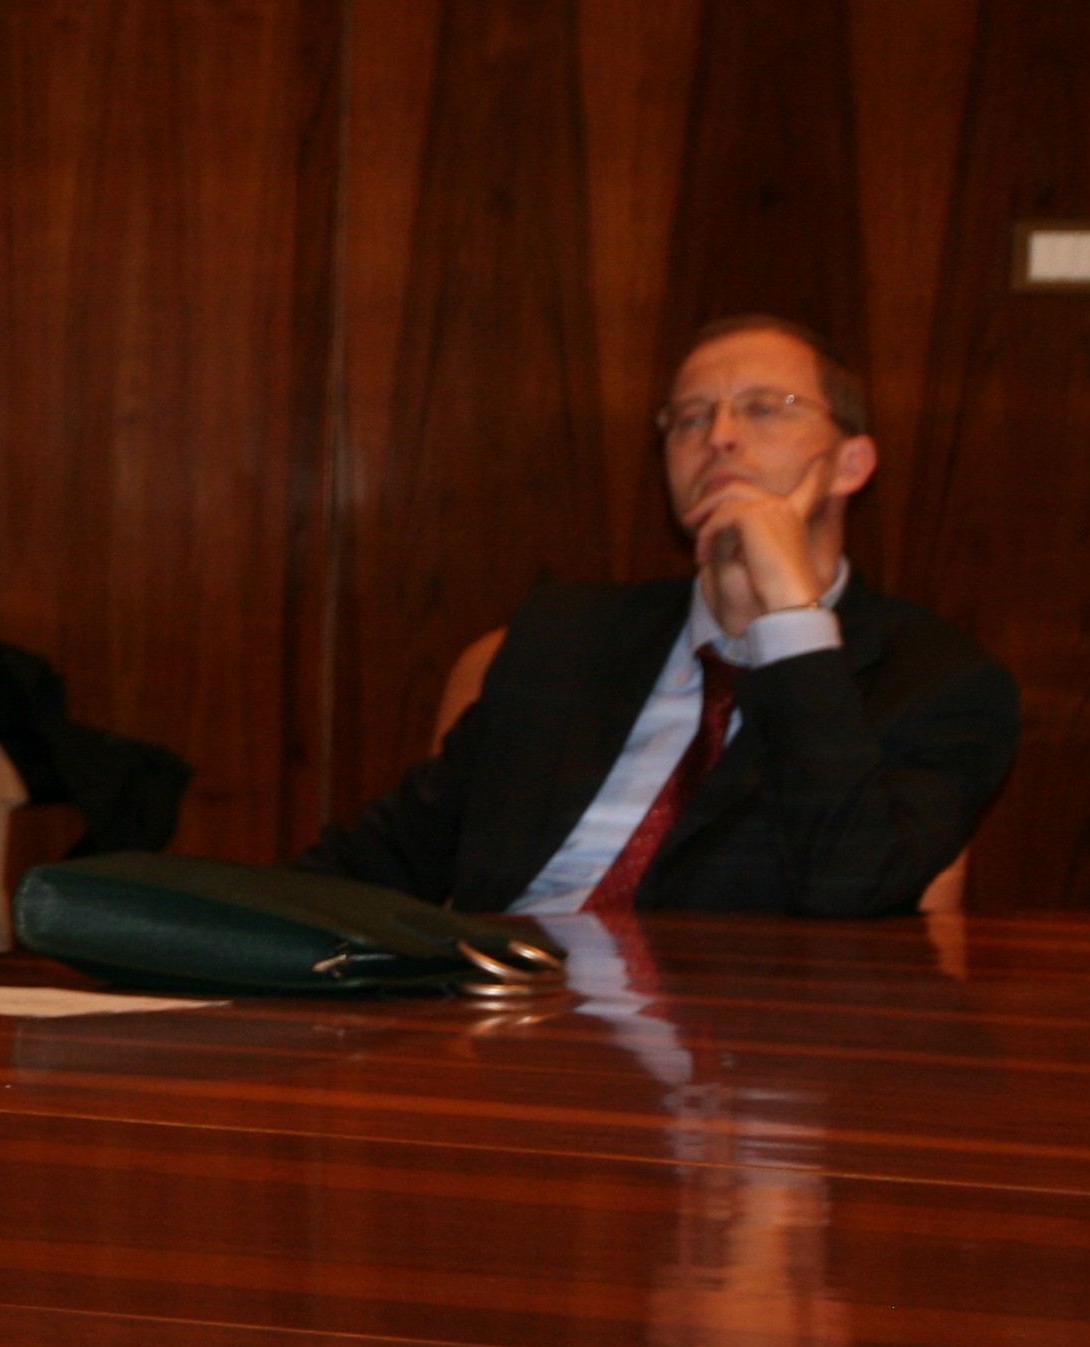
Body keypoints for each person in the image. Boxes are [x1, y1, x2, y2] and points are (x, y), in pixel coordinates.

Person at [303, 314, 1019, 917]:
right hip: (501, 1005)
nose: (719, 436)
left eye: (764, 408)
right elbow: (381, 862)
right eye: (690, 418)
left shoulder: (940, 684)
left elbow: (851, 890)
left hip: (728, 1027)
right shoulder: (566, 636)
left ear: (850, 464)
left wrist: (787, 619)